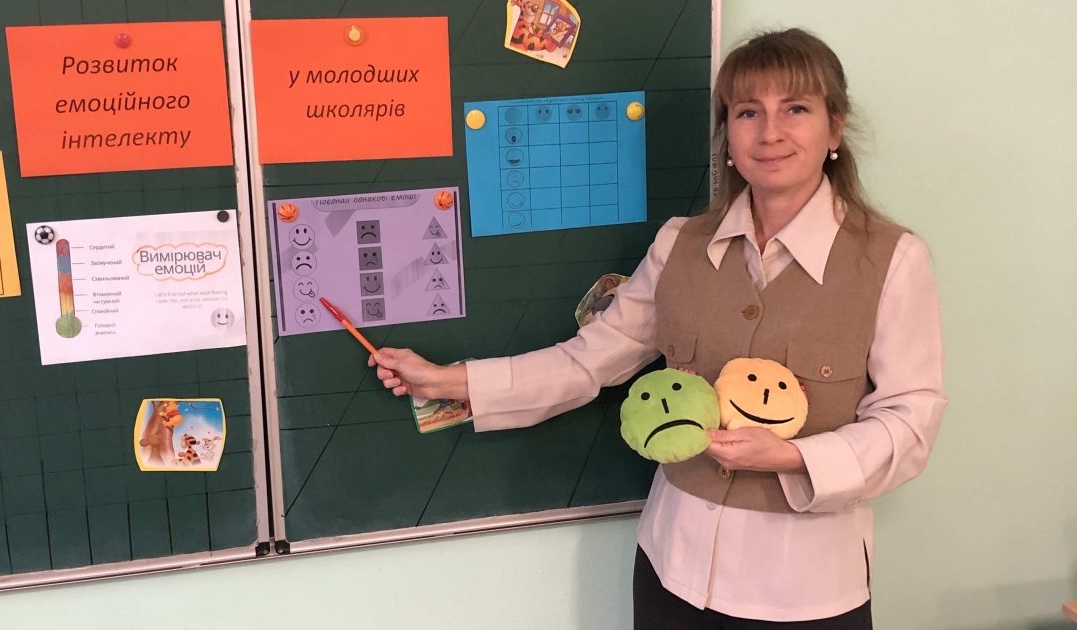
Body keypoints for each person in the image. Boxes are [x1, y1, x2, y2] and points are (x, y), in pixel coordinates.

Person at [370, 27, 946, 629]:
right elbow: (587, 361)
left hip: (805, 590)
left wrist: (793, 456)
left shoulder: (892, 260)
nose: (770, 132)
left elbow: (911, 421)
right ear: (728, 136)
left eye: (795, 109)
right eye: (748, 112)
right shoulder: (678, 245)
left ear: (834, 129)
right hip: (673, 569)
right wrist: (447, 381)